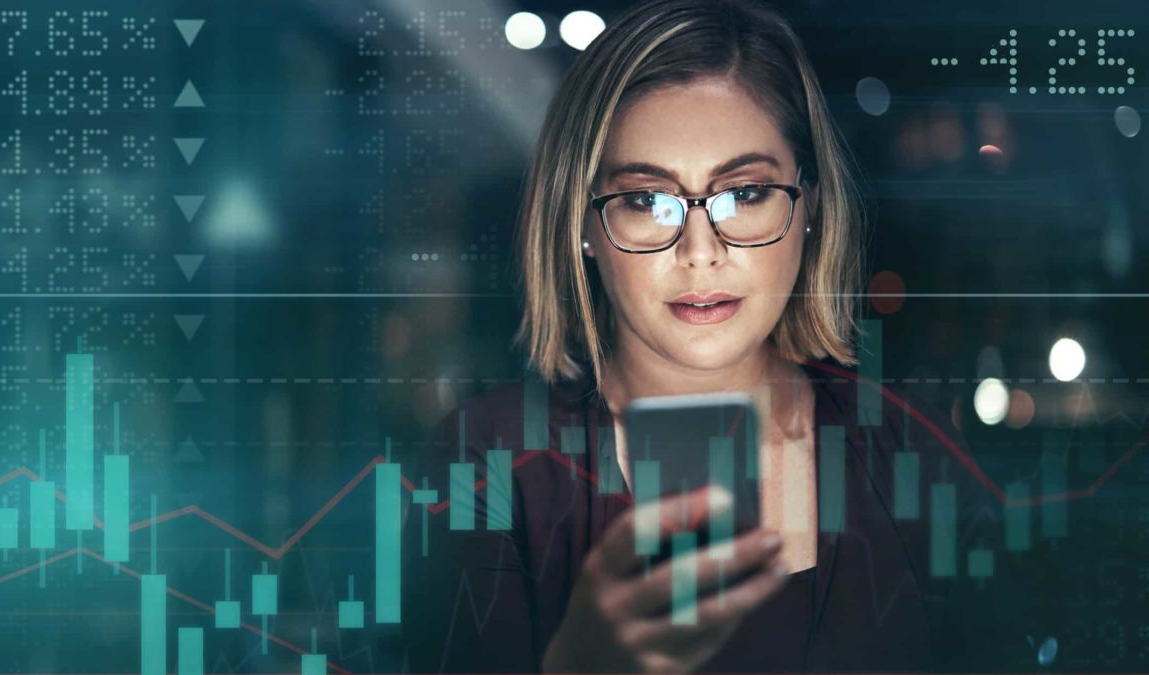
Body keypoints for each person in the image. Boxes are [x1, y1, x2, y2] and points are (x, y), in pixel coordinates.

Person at [402, 0, 1038, 671]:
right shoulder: (485, 467)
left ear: (809, 207)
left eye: (745, 193)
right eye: (647, 200)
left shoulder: (913, 451)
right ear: (583, 223)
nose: (701, 251)